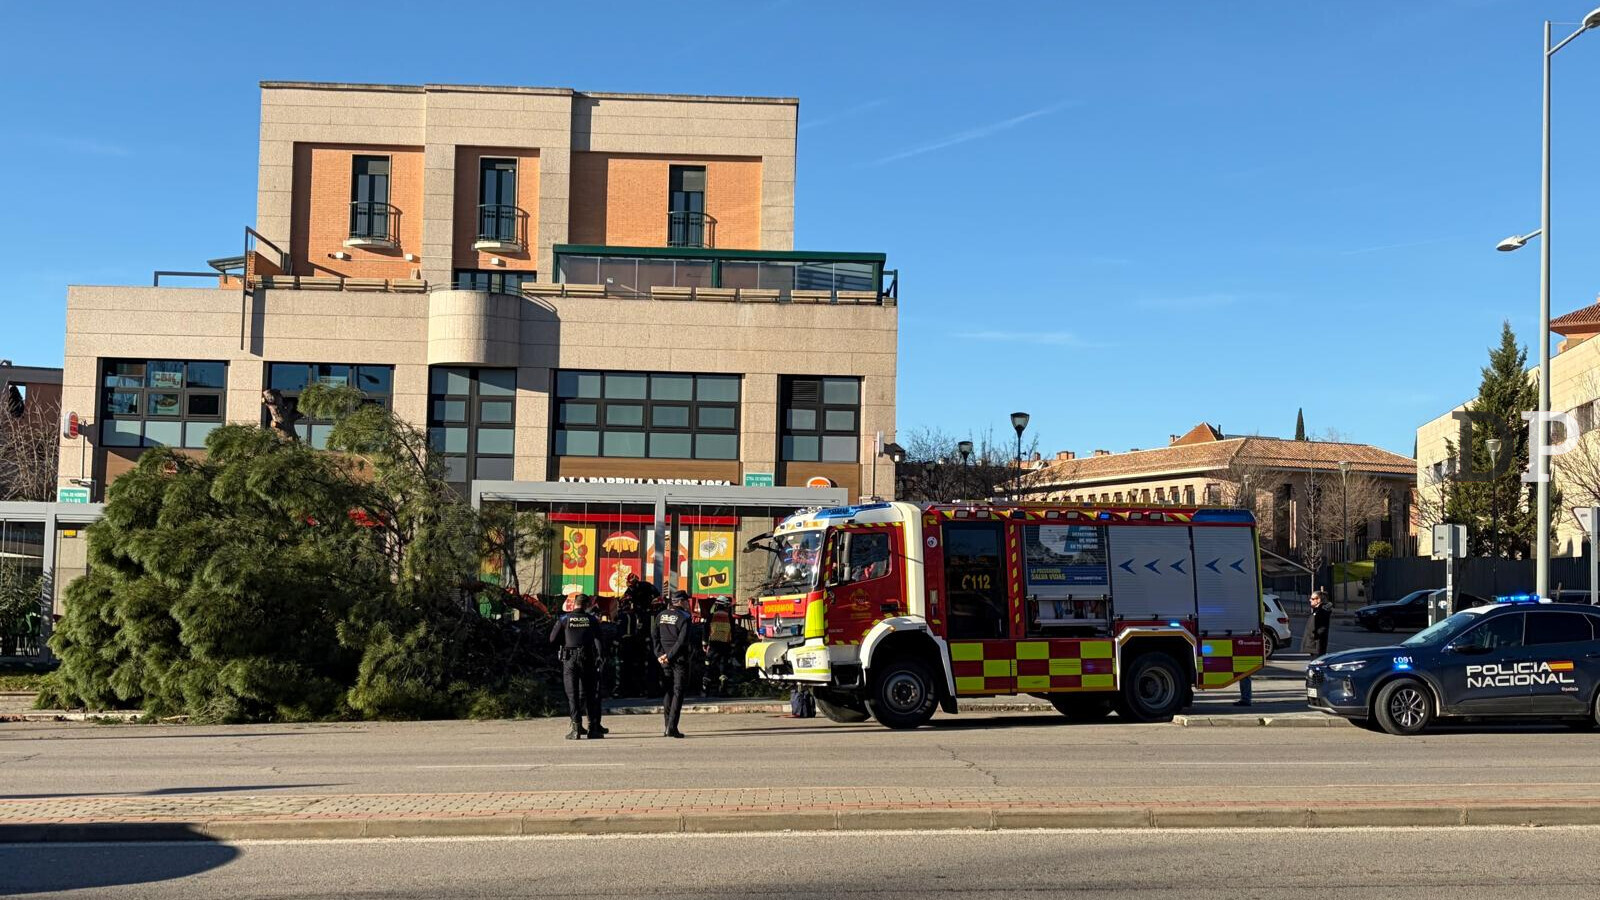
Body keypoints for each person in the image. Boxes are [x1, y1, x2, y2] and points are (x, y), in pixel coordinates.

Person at [549, 591, 603, 740]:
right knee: (590, 693)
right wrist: (600, 657)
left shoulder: (565, 619)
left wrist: (565, 641)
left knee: (572, 694)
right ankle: (593, 729)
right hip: (588, 658)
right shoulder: (591, 619)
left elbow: (552, 639)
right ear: (587, 605)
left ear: (574, 604)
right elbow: (599, 640)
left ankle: (576, 729)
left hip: (570, 659)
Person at [653, 590, 695, 738]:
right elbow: (682, 642)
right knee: (678, 692)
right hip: (678, 660)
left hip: (663, 659)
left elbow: (655, 637)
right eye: (687, 601)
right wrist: (670, 656)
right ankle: (672, 727)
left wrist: (660, 654)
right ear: (681, 602)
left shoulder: (660, 615)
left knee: (668, 691)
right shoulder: (684, 617)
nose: (688, 604)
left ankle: (667, 726)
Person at [702, 598, 735, 697]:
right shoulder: (729, 617)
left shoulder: (711, 616)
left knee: (709, 667)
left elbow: (705, 630)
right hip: (725, 645)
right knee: (723, 667)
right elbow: (733, 632)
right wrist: (732, 645)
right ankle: (722, 690)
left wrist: (704, 643)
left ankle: (705, 690)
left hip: (713, 645)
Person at [1302, 590, 1332, 659]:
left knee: (1316, 662)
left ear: (1318, 600)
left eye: (1312, 599)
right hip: (1313, 644)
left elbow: (1322, 628)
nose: (1310, 600)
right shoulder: (1317, 610)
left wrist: (1313, 636)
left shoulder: (1321, 612)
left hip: (1317, 645)